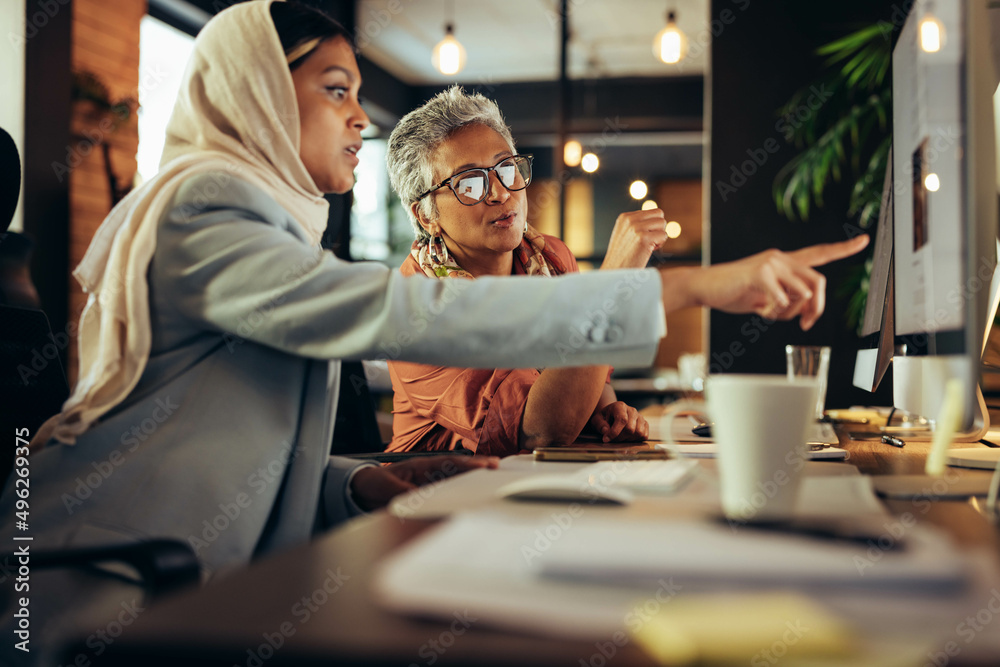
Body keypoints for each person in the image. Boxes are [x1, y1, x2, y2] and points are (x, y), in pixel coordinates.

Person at [0, 2, 867, 664]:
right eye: (336, 91)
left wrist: (366, 481)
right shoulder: (205, 206)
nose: (358, 118)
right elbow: (394, 312)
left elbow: (241, 452)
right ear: (259, 96)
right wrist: (696, 285)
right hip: (87, 580)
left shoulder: (270, 224)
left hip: (190, 577)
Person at [384, 87, 670, 456]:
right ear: (426, 215)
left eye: (506, 168)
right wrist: (612, 280)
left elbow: (588, 374)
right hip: (437, 495)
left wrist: (606, 411)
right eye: (470, 183)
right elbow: (538, 430)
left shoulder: (549, 258)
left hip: (539, 480)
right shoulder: (413, 306)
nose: (501, 193)